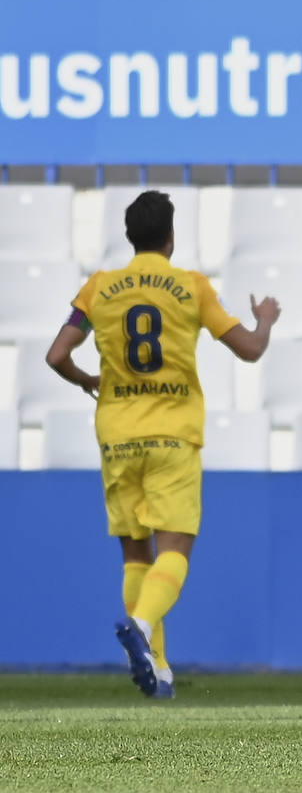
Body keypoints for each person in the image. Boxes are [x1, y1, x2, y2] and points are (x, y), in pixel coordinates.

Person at [44, 189, 280, 699]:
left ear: (130, 237)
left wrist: (89, 379)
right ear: (171, 237)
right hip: (172, 433)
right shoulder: (190, 286)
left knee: (135, 554)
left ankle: (160, 671)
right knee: (176, 548)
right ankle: (142, 628)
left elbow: (56, 354)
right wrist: (265, 318)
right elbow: (250, 350)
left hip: (117, 434)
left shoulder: (98, 289)